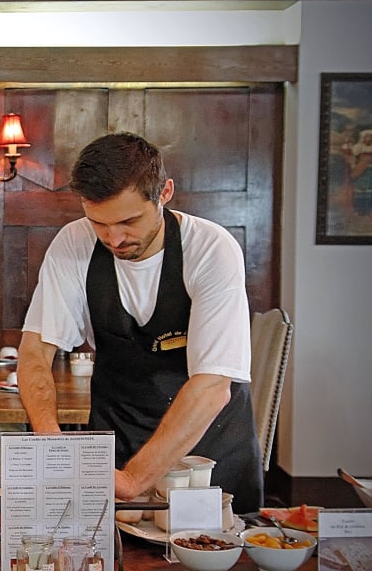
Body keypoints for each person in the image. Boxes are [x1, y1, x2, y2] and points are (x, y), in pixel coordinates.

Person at [16, 132, 262, 513]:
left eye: (129, 220)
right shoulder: (75, 245)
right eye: (98, 222)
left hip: (208, 449)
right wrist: (52, 443)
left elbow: (212, 385)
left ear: (164, 192)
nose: (114, 238)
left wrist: (136, 480)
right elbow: (35, 350)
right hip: (119, 435)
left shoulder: (211, 249)